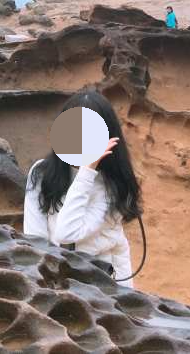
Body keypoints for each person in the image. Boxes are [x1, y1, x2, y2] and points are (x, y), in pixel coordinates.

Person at [23, 90, 143, 287]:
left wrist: (87, 171)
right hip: (57, 278)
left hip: (106, 282)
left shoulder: (111, 184)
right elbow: (35, 239)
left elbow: (66, 233)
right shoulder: (42, 173)